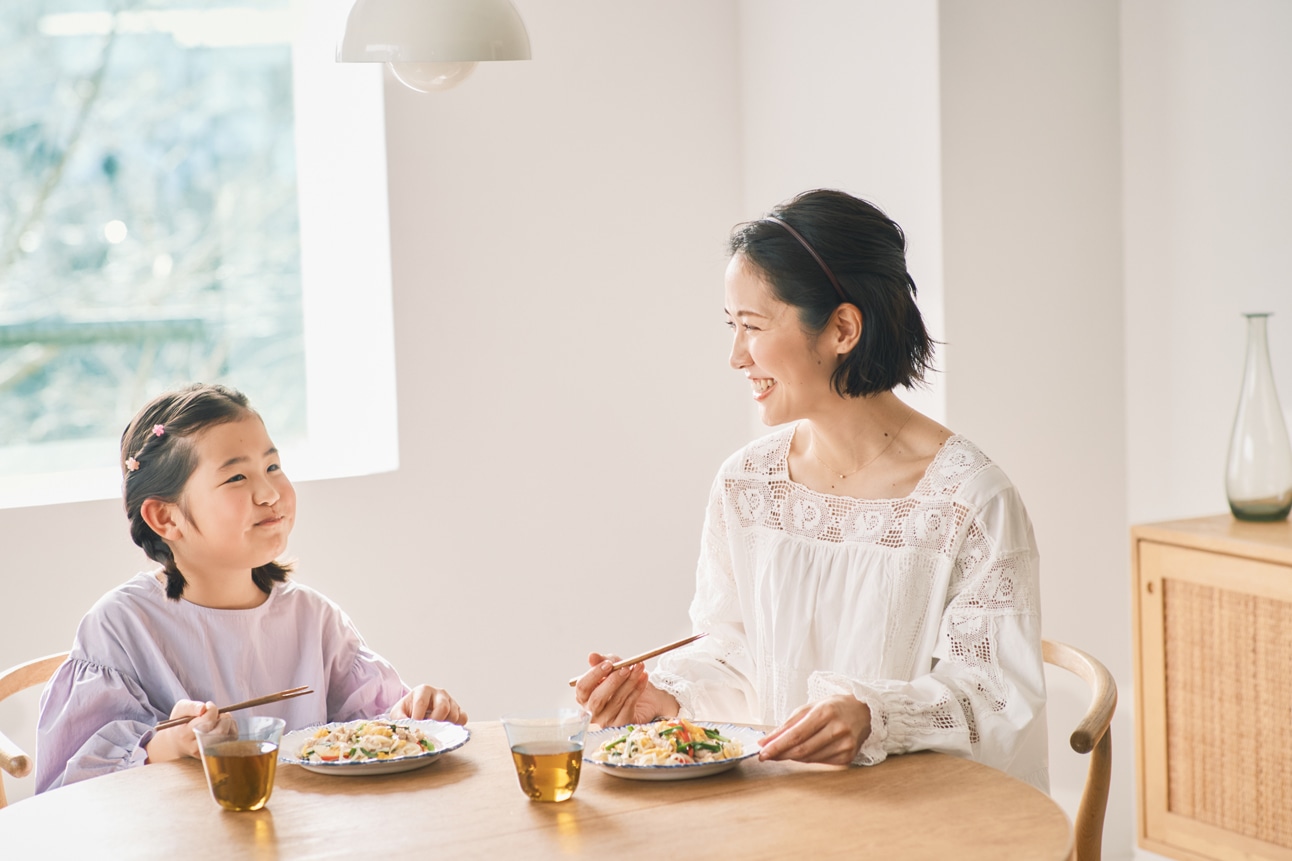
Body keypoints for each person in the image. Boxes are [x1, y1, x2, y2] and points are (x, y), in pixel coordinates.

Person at [573, 189, 1047, 790]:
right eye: (731, 326)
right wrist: (662, 698)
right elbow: (735, 651)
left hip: (918, 824)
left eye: (751, 326)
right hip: (783, 813)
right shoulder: (746, 486)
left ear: (843, 328)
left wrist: (874, 716)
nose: (735, 356)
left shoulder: (969, 503)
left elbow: (995, 696)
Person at [35, 383, 466, 793]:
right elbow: (73, 790)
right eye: (236, 478)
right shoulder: (121, 626)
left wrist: (414, 715)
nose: (269, 493)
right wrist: (169, 744)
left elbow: (369, 733)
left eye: (272, 467)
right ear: (166, 518)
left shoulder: (314, 619)